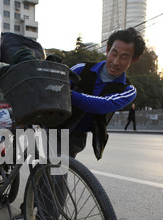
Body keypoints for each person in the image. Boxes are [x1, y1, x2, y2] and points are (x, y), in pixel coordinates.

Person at [61, 27, 145, 160]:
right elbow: (54, 88)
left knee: (54, 176)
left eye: (124, 57)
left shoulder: (127, 90)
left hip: (74, 136)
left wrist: (68, 94)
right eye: (114, 53)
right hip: (52, 125)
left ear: (134, 59)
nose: (116, 62)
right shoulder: (81, 69)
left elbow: (101, 104)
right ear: (107, 49)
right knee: (20, 156)